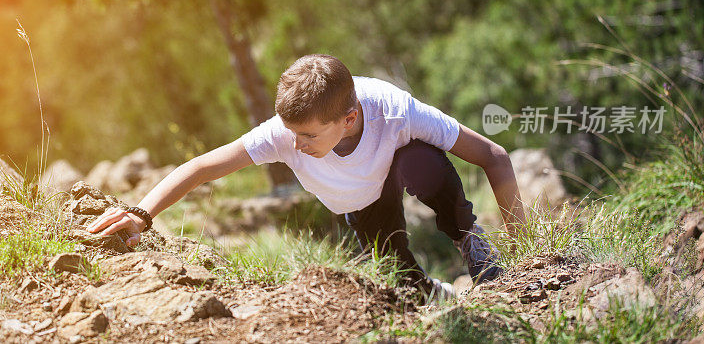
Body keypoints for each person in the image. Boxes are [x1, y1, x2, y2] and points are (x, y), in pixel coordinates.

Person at [86, 54, 526, 299]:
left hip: (402, 164)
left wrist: (530, 258)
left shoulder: (394, 110)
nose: (295, 146)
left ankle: (477, 253)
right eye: (291, 133)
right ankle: (442, 294)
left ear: (349, 117)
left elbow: (494, 156)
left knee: (418, 160)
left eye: (309, 135)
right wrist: (140, 214)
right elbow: (202, 167)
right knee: (403, 284)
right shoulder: (284, 133)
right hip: (360, 201)